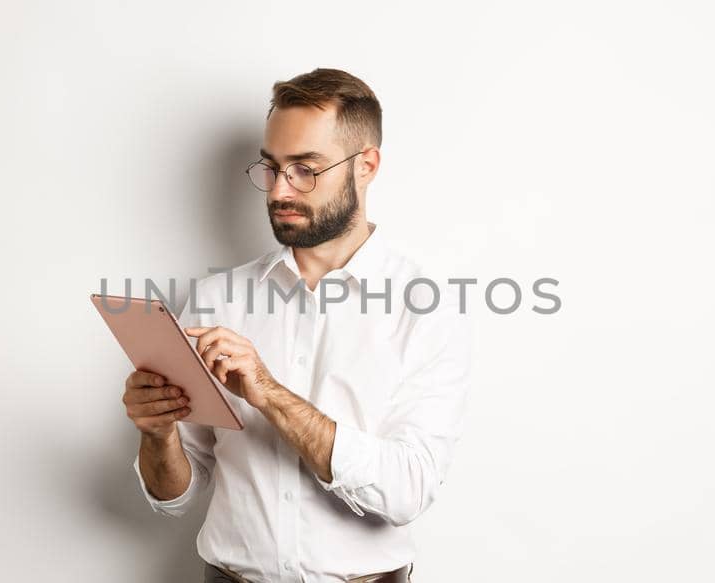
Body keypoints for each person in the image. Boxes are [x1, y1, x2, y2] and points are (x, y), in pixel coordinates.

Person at [121, 68, 472, 583]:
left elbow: (408, 490)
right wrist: (157, 434)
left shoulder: (426, 306)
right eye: (271, 167)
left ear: (366, 166)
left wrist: (268, 392)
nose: (280, 189)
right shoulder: (217, 298)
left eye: (305, 169)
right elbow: (177, 496)